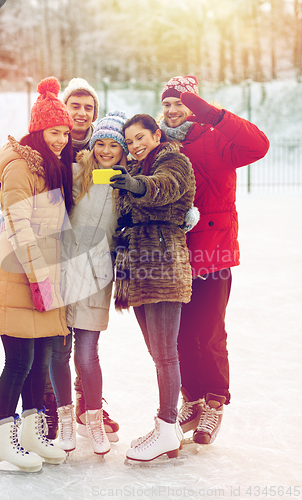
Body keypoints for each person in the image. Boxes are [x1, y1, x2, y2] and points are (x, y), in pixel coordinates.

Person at [0, 78, 120, 442]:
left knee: (68, 347)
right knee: (42, 352)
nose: (76, 118)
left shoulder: (95, 153)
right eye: (72, 108)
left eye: (87, 108)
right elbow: (13, 186)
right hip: (41, 262)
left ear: (94, 114)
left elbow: (113, 178)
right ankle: (44, 413)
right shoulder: (36, 153)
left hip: (75, 262)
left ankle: (80, 405)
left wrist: (143, 186)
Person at [159, 75, 270, 445]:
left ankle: (215, 401)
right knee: (178, 335)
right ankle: (191, 397)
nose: (173, 111)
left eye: (181, 103)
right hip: (172, 253)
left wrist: (213, 113)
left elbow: (259, 145)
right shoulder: (159, 144)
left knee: (208, 333)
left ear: (195, 106)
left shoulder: (218, 139)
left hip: (213, 250)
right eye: (168, 104)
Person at [0, 76, 73, 472]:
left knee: (42, 359)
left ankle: (35, 432)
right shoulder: (20, 167)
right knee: (18, 361)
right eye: (55, 131)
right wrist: (39, 278)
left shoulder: (50, 168)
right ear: (38, 129)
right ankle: (3, 437)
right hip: (20, 275)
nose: (61, 139)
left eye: (66, 133)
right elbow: (19, 226)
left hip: (43, 275)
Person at [109, 114, 196, 463]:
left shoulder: (173, 160)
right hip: (139, 266)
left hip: (163, 262)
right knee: (157, 351)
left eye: (140, 137)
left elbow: (165, 185)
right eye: (129, 141)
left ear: (156, 133)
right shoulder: (134, 166)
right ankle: (168, 425)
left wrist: (135, 185)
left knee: (165, 353)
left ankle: (167, 425)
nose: (134, 145)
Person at [49, 110, 128, 455]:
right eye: (101, 144)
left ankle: (92, 420)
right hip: (65, 270)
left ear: (123, 149)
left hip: (97, 275)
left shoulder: (125, 183)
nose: (106, 151)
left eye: (114, 145)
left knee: (86, 354)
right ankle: (66, 419)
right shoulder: (77, 172)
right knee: (59, 350)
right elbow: (45, 195)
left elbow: (151, 204)